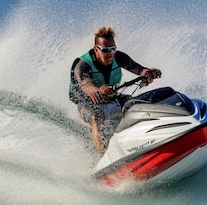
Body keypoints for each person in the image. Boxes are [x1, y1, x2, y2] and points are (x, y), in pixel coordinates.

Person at [69, 26, 162, 154]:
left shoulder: (118, 57)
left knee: (135, 104)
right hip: (86, 102)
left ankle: (150, 137)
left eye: (113, 49)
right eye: (106, 50)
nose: (110, 53)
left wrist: (150, 73)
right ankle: (104, 155)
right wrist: (97, 90)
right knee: (97, 116)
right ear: (96, 48)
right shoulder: (82, 64)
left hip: (110, 96)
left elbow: (140, 70)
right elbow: (85, 85)